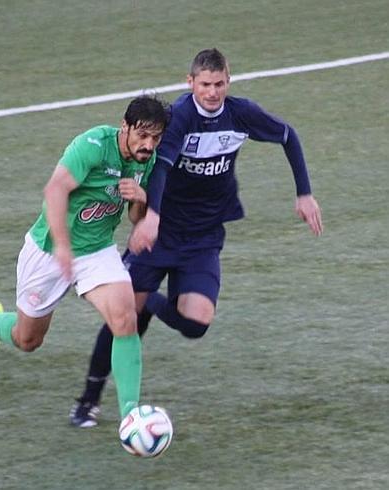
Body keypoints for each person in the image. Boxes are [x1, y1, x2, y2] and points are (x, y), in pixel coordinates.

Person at [69, 48, 323, 427]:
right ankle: (89, 400)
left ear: (228, 81)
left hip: (203, 238)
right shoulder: (178, 118)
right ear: (190, 83)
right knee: (124, 319)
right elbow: (162, 169)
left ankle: (152, 302)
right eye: (205, 84)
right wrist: (150, 217)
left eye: (219, 84)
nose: (212, 92)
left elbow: (289, 136)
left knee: (196, 322)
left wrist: (304, 193)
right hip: (160, 235)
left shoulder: (240, 114)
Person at [0, 95, 170, 422]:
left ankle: (131, 415)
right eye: (142, 135)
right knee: (28, 340)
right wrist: (63, 247)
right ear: (125, 127)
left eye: (155, 138)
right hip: (50, 250)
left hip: (96, 251)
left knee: (125, 319)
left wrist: (142, 199)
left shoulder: (146, 160)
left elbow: (135, 218)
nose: (148, 144)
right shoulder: (92, 145)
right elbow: (54, 190)